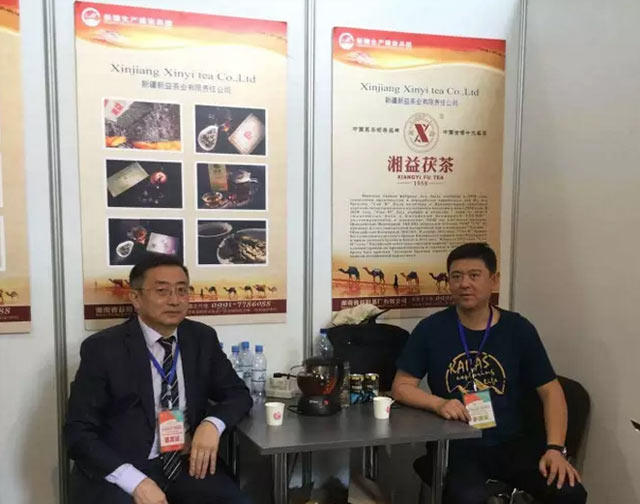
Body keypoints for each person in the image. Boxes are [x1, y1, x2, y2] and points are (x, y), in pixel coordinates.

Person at [392, 243, 587, 504]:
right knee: (469, 499)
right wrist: (439, 403)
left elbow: (551, 391)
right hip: (459, 446)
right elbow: (401, 387)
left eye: (474, 275)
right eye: (456, 276)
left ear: (493, 280)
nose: (464, 284)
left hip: (513, 443)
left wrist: (555, 449)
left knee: (570, 492)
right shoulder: (431, 330)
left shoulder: (518, 329)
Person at [65, 255, 253, 504]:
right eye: (162, 291)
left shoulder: (201, 338)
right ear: (136, 298)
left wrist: (212, 424)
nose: (174, 300)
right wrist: (136, 482)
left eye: (182, 290)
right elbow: (78, 433)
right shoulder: (103, 349)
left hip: (184, 461)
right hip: (124, 468)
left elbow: (238, 394)